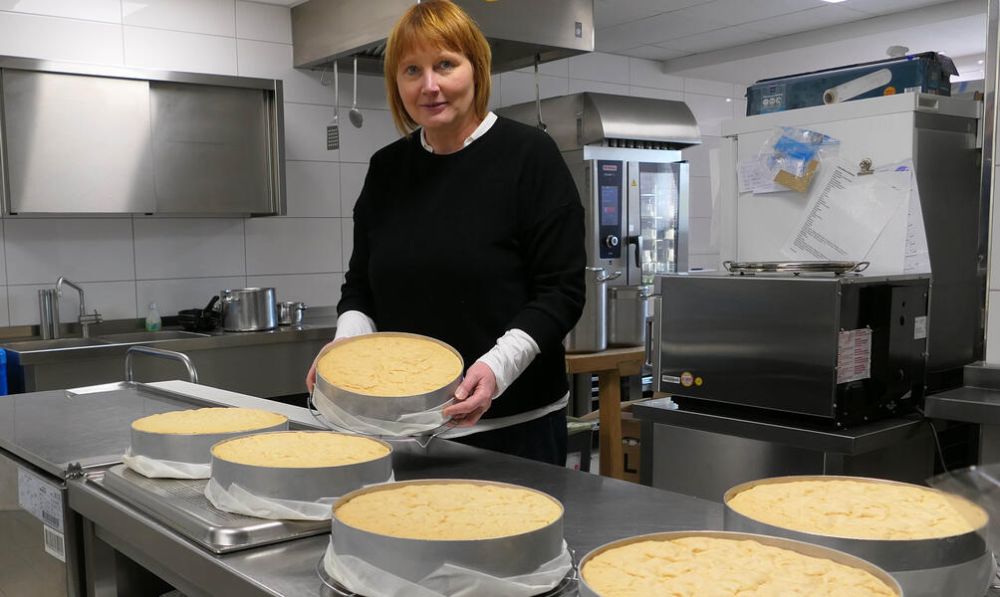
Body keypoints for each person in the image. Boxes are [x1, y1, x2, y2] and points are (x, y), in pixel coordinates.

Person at [305, 0, 585, 465]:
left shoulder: (529, 156)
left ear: (476, 69)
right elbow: (361, 288)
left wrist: (495, 369)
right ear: (397, 83)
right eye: (412, 70)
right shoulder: (387, 169)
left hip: (513, 428)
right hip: (401, 427)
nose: (429, 85)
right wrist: (346, 347)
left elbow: (561, 291)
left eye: (445, 65)